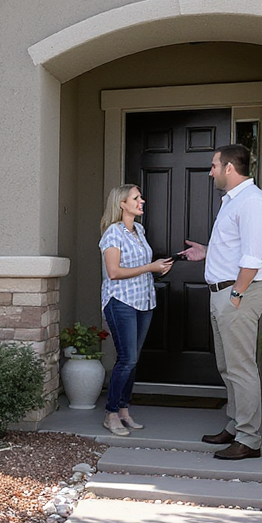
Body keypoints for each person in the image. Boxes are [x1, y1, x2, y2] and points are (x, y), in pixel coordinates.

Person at [180, 144, 262, 460]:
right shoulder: (234, 202)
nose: (210, 172)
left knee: (241, 367)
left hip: (238, 294)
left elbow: (254, 256)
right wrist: (208, 252)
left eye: (213, 166)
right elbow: (238, 249)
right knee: (228, 366)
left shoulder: (253, 203)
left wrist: (236, 294)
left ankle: (249, 440)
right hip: (225, 292)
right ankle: (235, 426)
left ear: (230, 168)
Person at [99, 184, 173, 437]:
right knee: (126, 360)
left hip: (144, 301)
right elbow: (114, 272)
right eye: (136, 197)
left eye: (140, 196)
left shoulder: (138, 230)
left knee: (133, 361)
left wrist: (159, 267)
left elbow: (144, 266)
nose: (142, 200)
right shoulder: (112, 233)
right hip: (121, 302)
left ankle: (124, 410)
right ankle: (110, 414)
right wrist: (150, 267)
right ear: (122, 204)